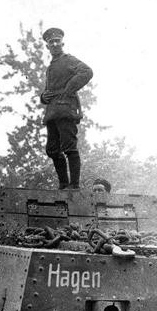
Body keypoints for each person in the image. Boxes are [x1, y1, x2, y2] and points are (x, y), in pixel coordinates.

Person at [40, 27, 93, 190]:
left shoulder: (68, 60)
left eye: (57, 41)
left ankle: (74, 185)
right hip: (52, 112)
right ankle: (63, 184)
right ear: (47, 46)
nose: (55, 44)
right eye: (51, 42)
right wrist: (43, 97)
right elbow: (49, 89)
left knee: (69, 146)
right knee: (52, 150)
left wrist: (69, 89)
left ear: (62, 43)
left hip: (65, 110)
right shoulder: (51, 66)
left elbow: (87, 72)